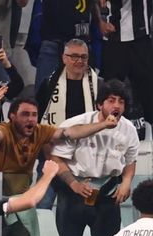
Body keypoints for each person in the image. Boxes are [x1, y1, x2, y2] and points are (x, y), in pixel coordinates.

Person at [0, 94, 119, 236]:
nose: (31, 119)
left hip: (21, 200)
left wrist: (103, 125)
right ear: (12, 116)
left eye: (34, 115)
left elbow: (69, 132)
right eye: (25, 114)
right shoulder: (4, 130)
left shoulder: (40, 131)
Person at [50, 79, 138, 236]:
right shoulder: (76, 124)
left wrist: (126, 182)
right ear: (99, 104)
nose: (116, 106)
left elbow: (131, 161)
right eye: (111, 100)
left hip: (107, 193)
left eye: (121, 102)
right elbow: (56, 158)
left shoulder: (129, 130)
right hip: (75, 191)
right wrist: (73, 184)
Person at [35, 38, 100, 209]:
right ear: (64, 58)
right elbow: (38, 121)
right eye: (74, 56)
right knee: (42, 206)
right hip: (51, 155)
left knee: (83, 211)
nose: (79, 61)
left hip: (86, 160)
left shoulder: (98, 85)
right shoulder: (49, 84)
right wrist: (47, 151)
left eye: (83, 57)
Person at [98, 0, 153, 128]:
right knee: (110, 90)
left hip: (141, 37)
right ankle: (109, 128)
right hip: (113, 37)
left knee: (148, 88)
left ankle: (146, 129)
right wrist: (99, 22)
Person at [34, 0, 91, 92]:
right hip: (54, 43)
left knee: (81, 95)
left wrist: (100, 21)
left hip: (81, 44)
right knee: (44, 94)